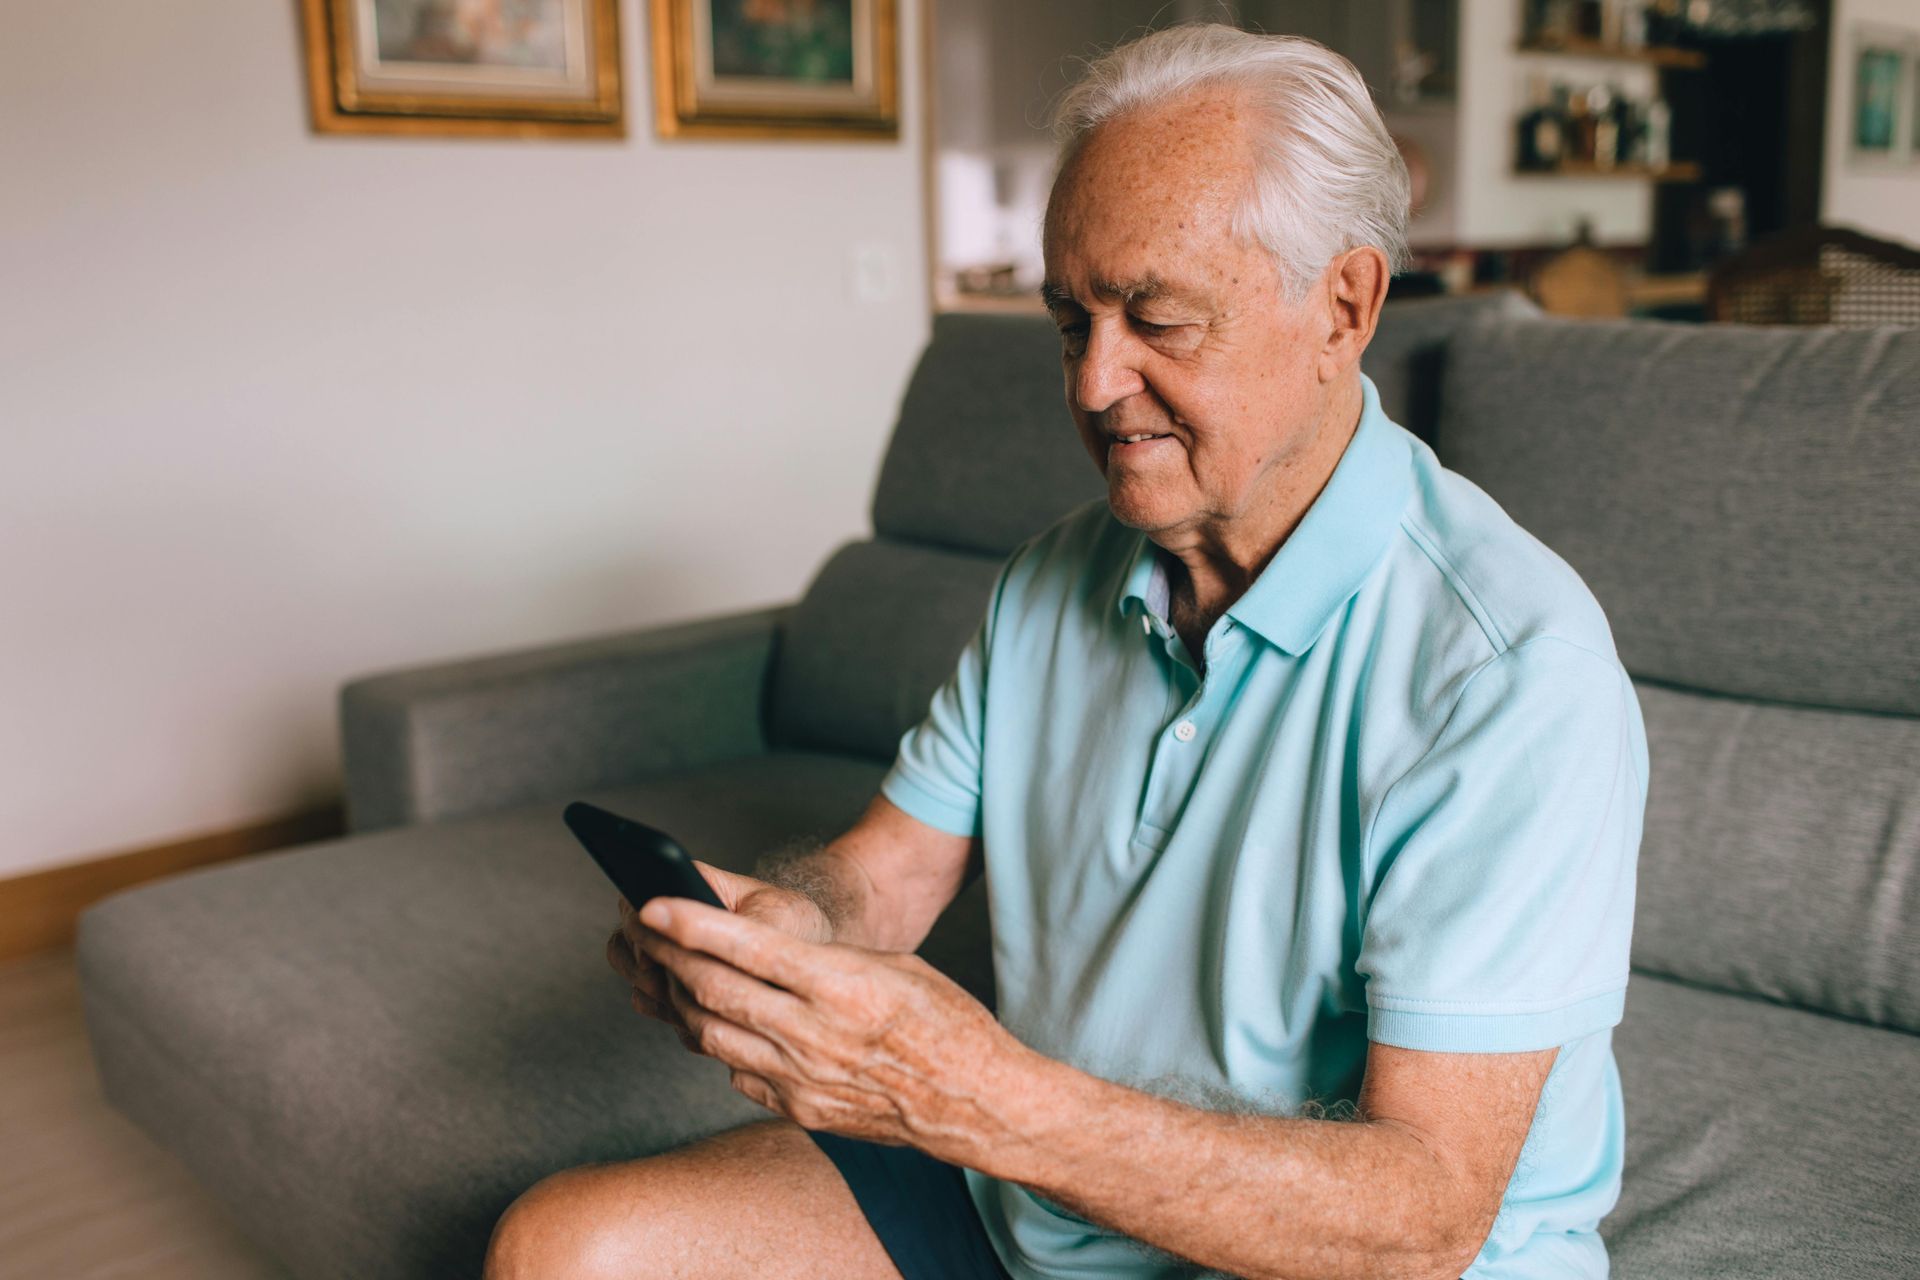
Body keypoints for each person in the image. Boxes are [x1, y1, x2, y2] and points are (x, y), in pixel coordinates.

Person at [485, 22, 1646, 1280]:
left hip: (1316, 1258)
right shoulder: (1050, 578)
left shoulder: (1508, 673)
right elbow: (889, 871)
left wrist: (977, 1094)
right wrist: (789, 928)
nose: (1097, 384)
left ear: (1346, 306)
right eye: (1070, 318)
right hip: (1040, 1204)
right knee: (566, 1248)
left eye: (1158, 317)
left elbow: (1420, 1216)